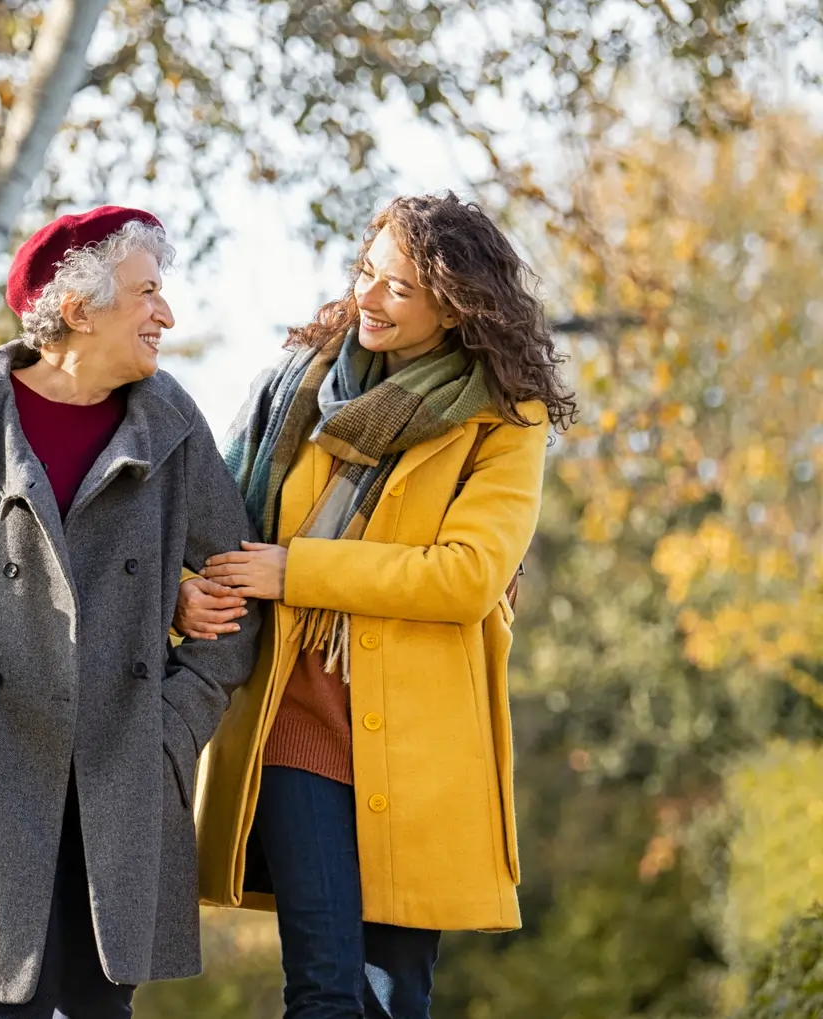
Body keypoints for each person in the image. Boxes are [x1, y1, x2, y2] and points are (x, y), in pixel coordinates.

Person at [0, 206, 261, 1019]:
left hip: (122, 767)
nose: (167, 315)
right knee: (2, 1004)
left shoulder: (171, 423)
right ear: (79, 309)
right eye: (147, 293)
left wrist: (171, 729)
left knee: (104, 1005)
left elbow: (241, 587)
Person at [182, 193, 577, 1018]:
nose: (369, 297)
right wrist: (189, 588)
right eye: (367, 273)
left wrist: (301, 571)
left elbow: (466, 575)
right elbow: (209, 517)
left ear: (458, 305)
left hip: (423, 741)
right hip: (295, 716)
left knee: (398, 996)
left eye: (398, 288)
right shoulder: (299, 386)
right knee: (323, 985)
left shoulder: (504, 419)